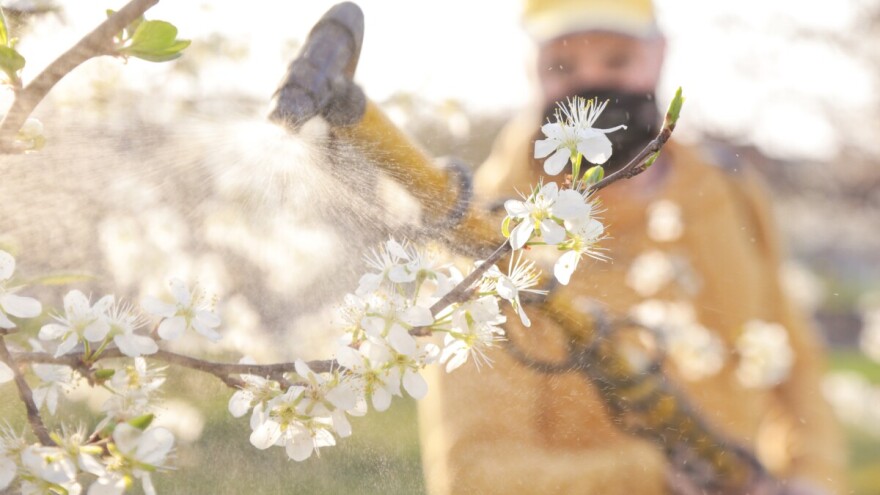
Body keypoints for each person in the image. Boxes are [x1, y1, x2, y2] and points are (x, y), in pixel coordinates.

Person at [417, 0, 848, 493]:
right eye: (562, 65)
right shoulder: (485, 238)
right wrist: (649, 477)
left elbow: (794, 360)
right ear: (529, 71)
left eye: (617, 61)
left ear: (659, 55)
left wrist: (814, 477)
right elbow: (473, 475)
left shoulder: (729, 191)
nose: (590, 83)